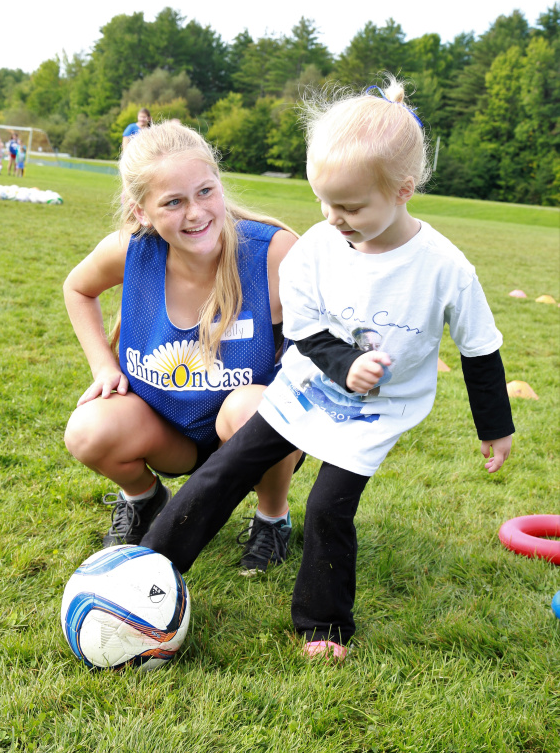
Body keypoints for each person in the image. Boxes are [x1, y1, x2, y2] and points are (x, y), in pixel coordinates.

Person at [141, 79, 515, 661]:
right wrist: (346, 365)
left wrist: (495, 427)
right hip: (306, 385)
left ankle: (323, 624)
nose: (332, 218)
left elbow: (480, 350)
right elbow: (307, 330)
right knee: (227, 468)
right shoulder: (316, 246)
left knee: (328, 507)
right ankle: (148, 563)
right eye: (323, 201)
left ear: (403, 191)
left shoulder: (445, 269)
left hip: (376, 412)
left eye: (350, 206)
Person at [64, 121, 301, 570]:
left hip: (253, 433)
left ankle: (272, 517)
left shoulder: (274, 253)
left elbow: (331, 331)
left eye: (206, 192)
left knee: (250, 410)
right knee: (86, 430)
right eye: (173, 202)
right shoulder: (130, 251)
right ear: (141, 212)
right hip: (168, 429)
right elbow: (77, 289)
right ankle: (144, 497)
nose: (196, 213)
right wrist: (103, 366)